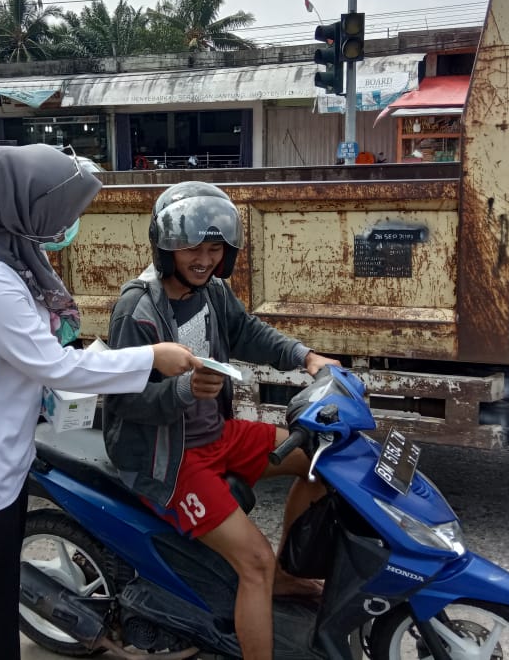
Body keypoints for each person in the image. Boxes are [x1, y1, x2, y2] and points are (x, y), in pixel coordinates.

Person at [0, 144, 200, 660]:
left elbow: (37, 353)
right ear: (26, 206)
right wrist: (150, 357)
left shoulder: (0, 256)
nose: (69, 222)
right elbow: (52, 365)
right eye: (63, 210)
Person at [103, 180, 341, 660]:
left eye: (214, 248)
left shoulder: (212, 292)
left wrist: (306, 356)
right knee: (253, 564)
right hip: (172, 457)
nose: (203, 258)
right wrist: (181, 391)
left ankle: (287, 574)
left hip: (219, 434)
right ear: (166, 245)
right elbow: (121, 402)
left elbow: (246, 331)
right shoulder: (140, 308)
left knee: (321, 461)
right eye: (192, 246)